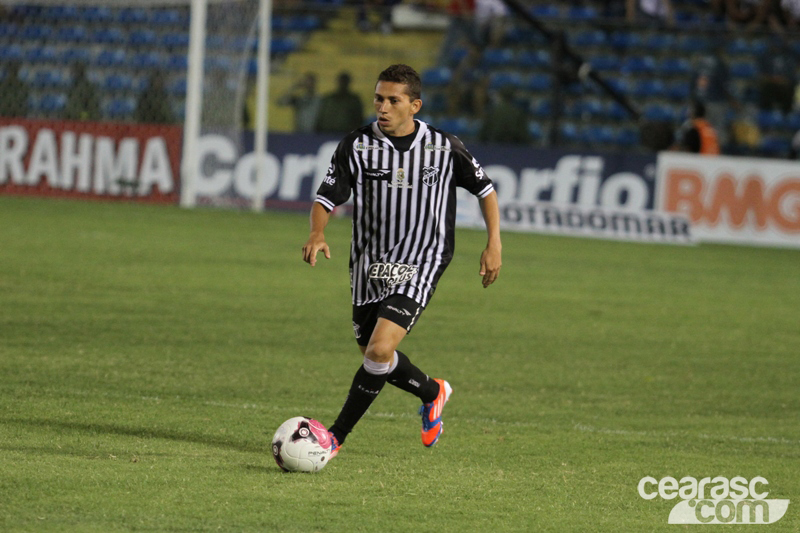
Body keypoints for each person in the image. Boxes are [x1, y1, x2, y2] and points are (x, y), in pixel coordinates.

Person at [302, 64, 502, 459]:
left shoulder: (445, 146)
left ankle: (335, 437)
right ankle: (433, 391)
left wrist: (494, 241)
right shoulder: (356, 145)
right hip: (369, 264)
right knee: (375, 356)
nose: (383, 107)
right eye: (379, 98)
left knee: (379, 350)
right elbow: (326, 197)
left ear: (415, 105)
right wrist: (317, 232)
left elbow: (485, 189)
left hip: (423, 258)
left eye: (394, 100)